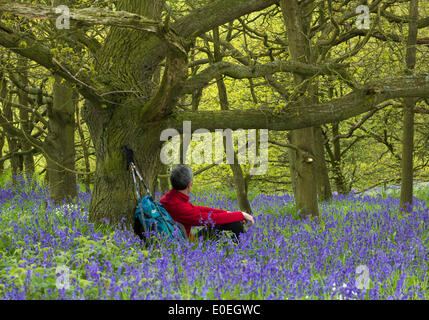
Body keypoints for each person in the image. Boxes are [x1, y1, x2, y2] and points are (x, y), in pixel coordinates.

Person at [159, 164, 254, 242]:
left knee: (230, 219)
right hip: (189, 247)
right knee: (234, 222)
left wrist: (227, 213)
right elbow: (209, 219)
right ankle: (246, 253)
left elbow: (197, 209)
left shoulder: (169, 198)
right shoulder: (178, 206)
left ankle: (242, 251)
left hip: (182, 240)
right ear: (190, 184)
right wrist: (241, 214)